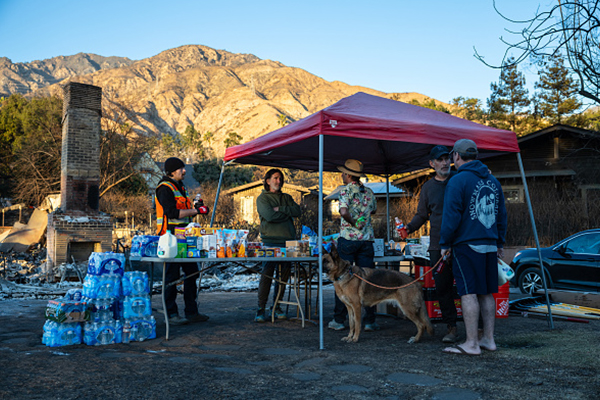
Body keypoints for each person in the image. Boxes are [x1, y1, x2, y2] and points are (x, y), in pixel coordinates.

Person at [440, 139, 507, 355]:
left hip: (466, 244)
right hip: (489, 244)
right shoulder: (493, 181)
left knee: (468, 293)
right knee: (487, 292)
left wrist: (445, 243)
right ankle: (488, 339)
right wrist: (499, 242)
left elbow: (451, 216)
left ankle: (471, 344)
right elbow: (502, 216)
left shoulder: (457, 181)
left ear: (456, 156)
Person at [404, 145, 460, 343]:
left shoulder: (459, 179)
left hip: (461, 243)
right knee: (442, 288)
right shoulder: (428, 188)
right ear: (432, 164)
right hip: (437, 245)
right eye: (441, 159)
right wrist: (409, 228)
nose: (445, 163)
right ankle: (451, 328)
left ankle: (477, 329)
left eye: (447, 159)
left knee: (468, 287)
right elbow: (422, 214)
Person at [155, 157, 209, 326]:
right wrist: (195, 210)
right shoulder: (164, 188)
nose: (184, 171)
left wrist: (195, 207)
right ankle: (171, 313)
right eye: (181, 169)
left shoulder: (181, 187)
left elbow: (184, 210)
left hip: (185, 238)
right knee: (171, 276)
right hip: (169, 238)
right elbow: (171, 213)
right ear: (171, 171)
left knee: (192, 272)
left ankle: (191, 312)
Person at [328, 159, 379, 332]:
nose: (341, 175)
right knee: (367, 280)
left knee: (342, 279)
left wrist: (354, 222)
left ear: (349, 175)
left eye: (343, 173)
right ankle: (370, 320)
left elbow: (343, 212)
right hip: (366, 240)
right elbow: (373, 211)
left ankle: (339, 319)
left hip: (349, 239)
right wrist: (362, 217)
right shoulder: (370, 192)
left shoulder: (345, 192)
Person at [255, 169, 301, 322]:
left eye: (280, 178)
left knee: (284, 277)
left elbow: (297, 211)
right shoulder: (262, 199)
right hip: (270, 241)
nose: (278, 181)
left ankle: (277, 306)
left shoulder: (287, 197)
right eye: (275, 178)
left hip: (290, 242)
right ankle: (260, 309)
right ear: (268, 181)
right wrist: (285, 214)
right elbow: (269, 216)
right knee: (267, 274)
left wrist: (281, 209)